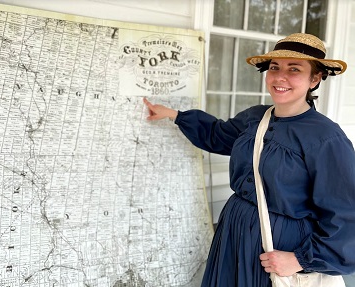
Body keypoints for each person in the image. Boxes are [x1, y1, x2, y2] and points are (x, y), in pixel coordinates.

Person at [143, 33, 355, 287]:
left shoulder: (326, 139)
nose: (280, 77)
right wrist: (175, 115)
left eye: (294, 69)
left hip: (278, 247)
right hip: (234, 231)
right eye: (275, 67)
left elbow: (345, 214)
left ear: (315, 78)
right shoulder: (256, 118)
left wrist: (299, 260)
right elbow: (218, 135)